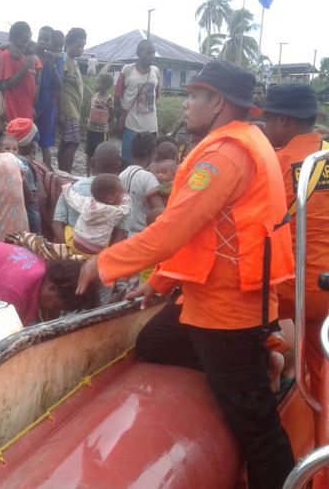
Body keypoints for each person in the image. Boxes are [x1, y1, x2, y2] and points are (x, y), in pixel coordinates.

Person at [77, 60, 296, 489]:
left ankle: (253, 375)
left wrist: (101, 264)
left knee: (256, 425)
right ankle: (256, 359)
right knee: (153, 342)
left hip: (227, 310)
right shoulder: (246, 142)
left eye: (195, 95)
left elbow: (170, 232)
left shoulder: (224, 156)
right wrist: (157, 283)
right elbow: (203, 237)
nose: (187, 104)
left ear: (217, 103)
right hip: (207, 295)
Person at [263, 83, 329, 433]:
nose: (265, 128)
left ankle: (272, 365)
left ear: (285, 121)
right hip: (326, 291)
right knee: (323, 380)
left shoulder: (274, 164)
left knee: (227, 319)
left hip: (293, 292)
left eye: (269, 119)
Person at [0, 242, 91, 325]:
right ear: (52, 289)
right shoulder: (14, 293)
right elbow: (2, 333)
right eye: (57, 306)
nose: (56, 311)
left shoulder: (45, 278)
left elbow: (49, 322)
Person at [52, 142, 122, 249]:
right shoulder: (121, 196)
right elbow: (122, 233)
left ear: (92, 162)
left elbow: (57, 224)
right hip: (103, 256)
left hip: (72, 250)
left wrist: (70, 252)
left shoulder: (72, 189)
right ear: (118, 167)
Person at [115, 39, 161, 162]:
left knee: (149, 160)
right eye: (148, 52)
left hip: (151, 125)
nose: (152, 56)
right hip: (131, 124)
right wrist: (118, 117)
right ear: (139, 53)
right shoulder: (127, 70)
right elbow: (117, 95)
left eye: (153, 52)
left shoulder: (156, 71)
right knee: (127, 159)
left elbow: (157, 96)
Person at [64, 174, 131, 255]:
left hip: (76, 243)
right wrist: (127, 196)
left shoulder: (87, 203)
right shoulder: (115, 212)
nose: (122, 195)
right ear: (111, 198)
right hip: (94, 251)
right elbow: (127, 208)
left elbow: (73, 198)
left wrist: (67, 188)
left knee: (68, 228)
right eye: (121, 193)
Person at [0, 21, 42, 122]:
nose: (26, 44)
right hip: (15, 107)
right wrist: (25, 68)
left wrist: (30, 106)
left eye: (28, 41)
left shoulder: (21, 53)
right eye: (23, 41)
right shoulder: (8, 55)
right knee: (19, 136)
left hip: (25, 106)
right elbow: (6, 84)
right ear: (13, 39)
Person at [119, 131, 163, 237]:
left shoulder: (121, 175)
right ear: (152, 153)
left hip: (122, 236)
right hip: (141, 237)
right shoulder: (148, 178)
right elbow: (160, 213)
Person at [56, 27, 86, 172]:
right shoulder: (64, 59)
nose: (81, 49)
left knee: (66, 141)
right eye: (78, 46)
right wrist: (61, 111)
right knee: (73, 142)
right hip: (68, 107)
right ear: (68, 44)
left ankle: (62, 172)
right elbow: (60, 86)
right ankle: (66, 173)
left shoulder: (74, 62)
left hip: (74, 107)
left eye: (83, 46)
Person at [35, 27, 64, 167]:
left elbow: (59, 84)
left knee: (46, 144)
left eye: (46, 39)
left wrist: (51, 64)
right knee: (30, 140)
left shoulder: (55, 60)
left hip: (48, 107)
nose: (42, 42)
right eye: (40, 38)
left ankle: (46, 172)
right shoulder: (32, 54)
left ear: (51, 42)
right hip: (32, 104)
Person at [6, 118, 41, 234]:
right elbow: (31, 198)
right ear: (26, 142)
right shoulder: (22, 163)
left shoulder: (4, 158)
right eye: (34, 140)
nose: (36, 145)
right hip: (28, 217)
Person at [86, 72, 114, 176]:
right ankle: (88, 175)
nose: (96, 85)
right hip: (90, 129)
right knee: (89, 153)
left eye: (99, 83)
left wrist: (106, 124)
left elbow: (111, 115)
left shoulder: (109, 98)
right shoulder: (94, 96)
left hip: (101, 132)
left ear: (106, 85)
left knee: (100, 153)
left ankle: (98, 174)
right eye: (96, 82)